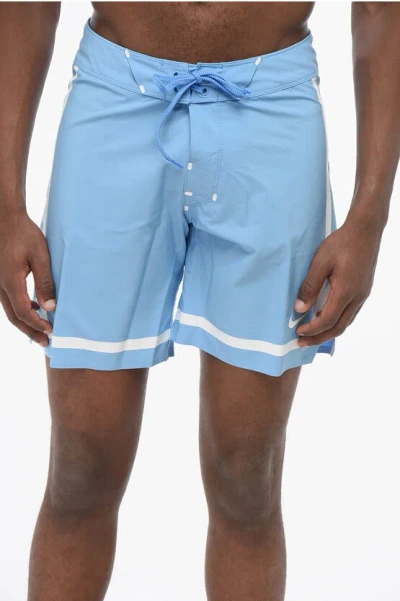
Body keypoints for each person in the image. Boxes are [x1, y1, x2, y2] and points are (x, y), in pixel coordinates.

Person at [0, 2, 398, 600]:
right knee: (81, 469)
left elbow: (381, 7)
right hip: (114, 104)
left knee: (246, 479)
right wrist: (5, 203)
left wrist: (370, 214)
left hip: (272, 115)